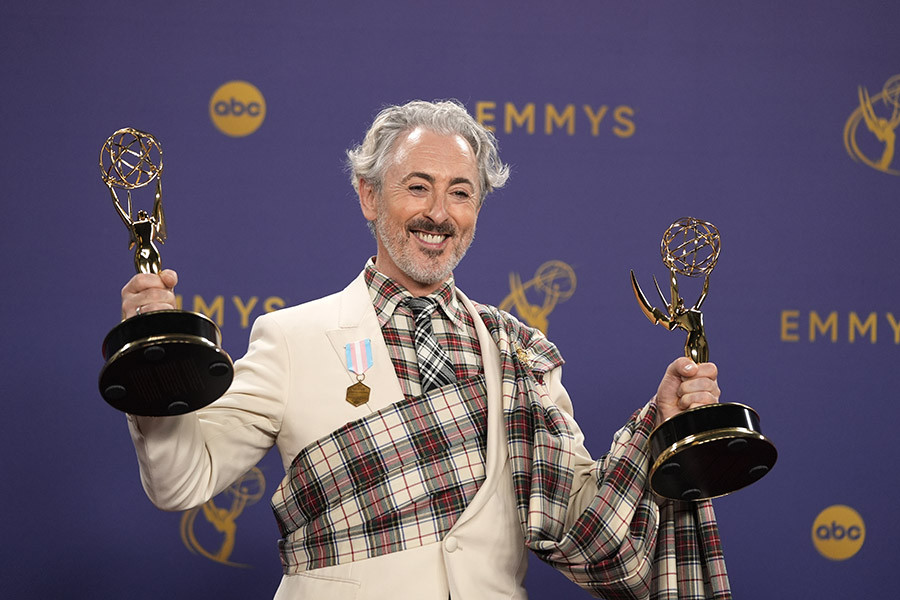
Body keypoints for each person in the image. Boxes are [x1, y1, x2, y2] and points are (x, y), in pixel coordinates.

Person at [121, 100, 731, 599]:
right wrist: (155, 368)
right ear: (368, 196)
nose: (439, 213)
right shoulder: (292, 338)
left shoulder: (519, 350)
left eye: (461, 193)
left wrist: (662, 424)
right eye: (418, 187)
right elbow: (179, 481)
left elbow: (581, 522)